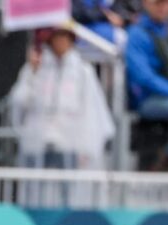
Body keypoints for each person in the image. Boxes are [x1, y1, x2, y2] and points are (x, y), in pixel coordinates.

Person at [10, 22, 115, 170]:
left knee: (68, 188)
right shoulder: (34, 69)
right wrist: (32, 74)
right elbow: (21, 101)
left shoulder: (83, 71)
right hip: (40, 142)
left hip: (70, 144)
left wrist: (87, 146)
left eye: (65, 36)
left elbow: (90, 110)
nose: (61, 42)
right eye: (57, 36)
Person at [126, 0, 168, 170]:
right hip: (150, 99)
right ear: (146, 4)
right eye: (157, 3)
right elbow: (142, 76)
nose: (162, 7)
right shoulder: (136, 34)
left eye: (166, 3)